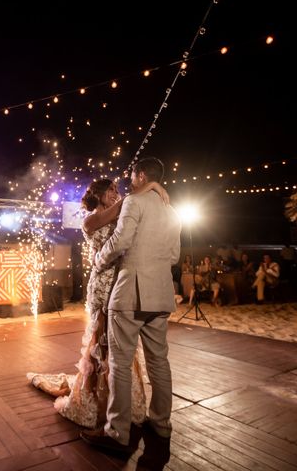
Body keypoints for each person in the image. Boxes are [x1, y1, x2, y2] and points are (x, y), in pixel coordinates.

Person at [27, 175, 168, 430]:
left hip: (123, 282)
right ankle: (97, 402)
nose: (116, 193)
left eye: (117, 189)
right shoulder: (91, 219)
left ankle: (121, 404)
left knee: (121, 349)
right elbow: (124, 205)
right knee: (102, 345)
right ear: (99, 194)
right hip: (103, 285)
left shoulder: (121, 214)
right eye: (111, 190)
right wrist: (152, 187)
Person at [80, 157, 181, 452]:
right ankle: (161, 425)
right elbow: (174, 255)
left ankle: (117, 433)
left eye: (131, 176)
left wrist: (100, 259)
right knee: (159, 361)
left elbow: (121, 241)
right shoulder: (171, 209)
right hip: (161, 293)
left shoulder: (134, 202)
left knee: (120, 364)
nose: (127, 182)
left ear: (139, 176)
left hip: (129, 294)